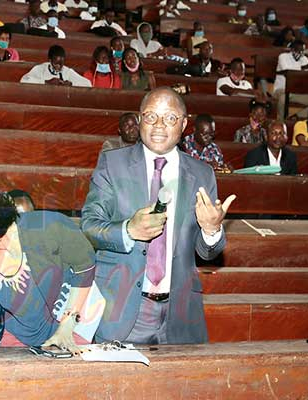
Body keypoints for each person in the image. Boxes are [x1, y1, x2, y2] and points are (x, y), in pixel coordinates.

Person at [81, 87, 234, 345]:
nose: (159, 125)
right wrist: (128, 229)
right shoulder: (112, 164)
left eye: (170, 118)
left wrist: (210, 231)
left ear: (184, 124)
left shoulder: (202, 173)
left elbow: (207, 254)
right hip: (124, 307)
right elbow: (89, 226)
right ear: (140, 120)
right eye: (151, 116)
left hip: (180, 311)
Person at [0, 187, 96, 351]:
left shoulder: (50, 228)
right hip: (17, 335)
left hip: (70, 323)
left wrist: (67, 325)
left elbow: (85, 268)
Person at [274, 41, 308, 117]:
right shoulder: (283, 57)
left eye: (302, 50)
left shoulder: (304, 59)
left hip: (298, 92)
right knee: (283, 100)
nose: (300, 53)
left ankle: (296, 117)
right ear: (292, 49)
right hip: (282, 90)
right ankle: (281, 121)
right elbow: (288, 73)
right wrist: (304, 67)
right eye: (298, 50)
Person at [20, 45, 92, 87]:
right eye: (56, 63)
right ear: (50, 60)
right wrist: (46, 82)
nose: (59, 67)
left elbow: (88, 84)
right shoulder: (41, 69)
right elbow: (24, 81)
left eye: (61, 64)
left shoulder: (67, 71)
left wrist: (71, 83)